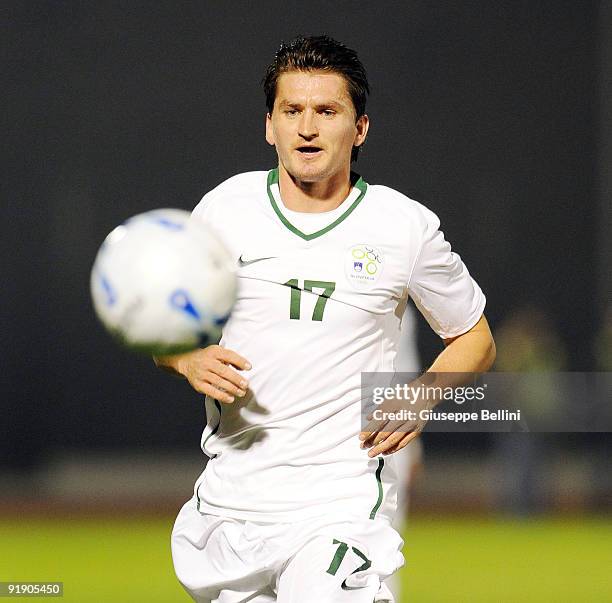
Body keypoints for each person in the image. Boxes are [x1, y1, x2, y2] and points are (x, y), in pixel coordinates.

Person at [155, 35, 495, 603]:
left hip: (340, 502)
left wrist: (424, 394)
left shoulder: (402, 226)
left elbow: (475, 337)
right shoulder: (225, 209)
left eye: (326, 111)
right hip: (231, 507)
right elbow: (162, 324)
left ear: (359, 128)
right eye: (292, 111)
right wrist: (185, 357)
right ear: (270, 125)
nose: (306, 127)